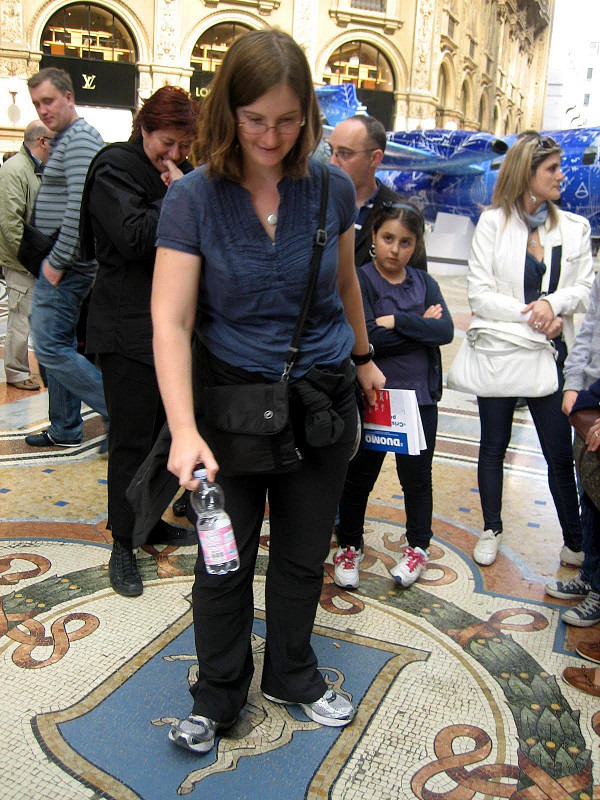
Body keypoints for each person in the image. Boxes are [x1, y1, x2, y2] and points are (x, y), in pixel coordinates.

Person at [151, 29, 384, 754]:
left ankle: (292, 672)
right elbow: (171, 316)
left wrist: (367, 357)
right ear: (228, 112)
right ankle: (218, 692)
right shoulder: (194, 197)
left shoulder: (331, 187)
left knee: (302, 555)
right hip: (231, 410)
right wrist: (184, 430)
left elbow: (345, 282)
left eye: (288, 121)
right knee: (224, 559)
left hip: (319, 402)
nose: (272, 136)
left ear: (308, 115)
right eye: (256, 119)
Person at [80, 87, 200, 598]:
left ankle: (148, 520)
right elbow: (131, 237)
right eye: (166, 143)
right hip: (124, 326)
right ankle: (123, 543)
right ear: (144, 128)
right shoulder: (115, 167)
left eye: (182, 146)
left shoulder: (181, 172)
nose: (173, 155)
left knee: (162, 435)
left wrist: (183, 185)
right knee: (130, 439)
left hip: (169, 329)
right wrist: (178, 195)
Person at [467, 131, 593, 568]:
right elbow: (479, 295)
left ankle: (575, 541)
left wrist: (553, 304)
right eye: (552, 169)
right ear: (527, 175)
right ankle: (491, 528)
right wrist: (535, 316)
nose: (562, 175)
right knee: (493, 446)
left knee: (559, 452)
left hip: (553, 359)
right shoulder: (491, 225)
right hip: (503, 352)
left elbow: (585, 288)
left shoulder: (575, 228)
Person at [334, 202, 453, 590]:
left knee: (417, 480)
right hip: (375, 397)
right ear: (373, 237)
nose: (395, 249)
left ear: (415, 245)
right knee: (359, 477)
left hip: (419, 402)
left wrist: (398, 321)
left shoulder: (425, 283)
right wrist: (420, 327)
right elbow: (365, 337)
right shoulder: (362, 280)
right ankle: (349, 543)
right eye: (388, 238)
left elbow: (446, 332)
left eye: (405, 242)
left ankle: (418, 546)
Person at [24, 67, 107, 448]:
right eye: (38, 103)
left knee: (49, 347)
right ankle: (65, 427)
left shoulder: (78, 141)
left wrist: (56, 263)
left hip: (66, 266)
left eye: (49, 101)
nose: (43, 110)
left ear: (69, 97)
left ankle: (118, 410)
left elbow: (78, 209)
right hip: (64, 263)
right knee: (56, 344)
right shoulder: (66, 138)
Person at [545, 271, 600, 633]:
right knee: (590, 497)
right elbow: (588, 330)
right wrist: (574, 383)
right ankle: (591, 575)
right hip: (593, 394)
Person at [327, 114, 428, 271]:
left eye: (345, 153)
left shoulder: (400, 213)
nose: (333, 162)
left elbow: (416, 286)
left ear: (375, 158)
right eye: (331, 151)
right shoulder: (314, 203)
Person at [0, 120, 52, 391]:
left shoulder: (35, 169)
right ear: (42, 141)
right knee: (20, 315)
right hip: (22, 261)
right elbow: (11, 224)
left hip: (35, 258)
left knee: (29, 314)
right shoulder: (15, 171)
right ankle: (17, 371)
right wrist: (33, 259)